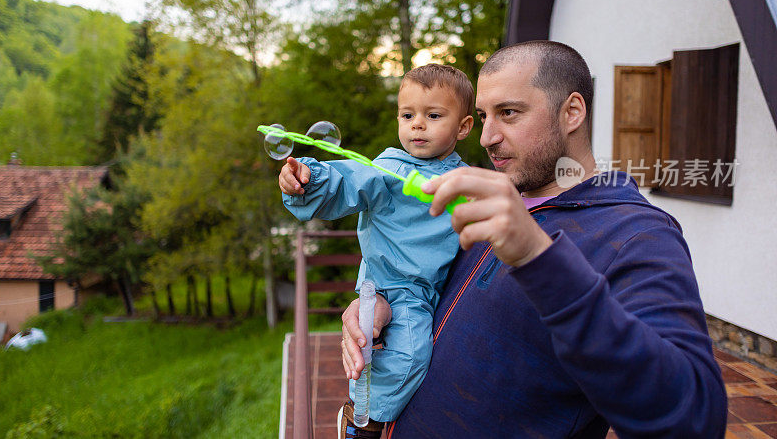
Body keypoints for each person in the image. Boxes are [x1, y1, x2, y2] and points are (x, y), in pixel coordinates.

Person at [341, 41, 727, 438]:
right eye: (483, 116)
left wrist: (538, 257)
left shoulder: (637, 235)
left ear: (572, 112)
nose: (487, 136)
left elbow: (694, 419)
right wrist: (382, 305)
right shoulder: (484, 200)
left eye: (508, 113)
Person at [278, 64, 475, 438]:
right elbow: (347, 180)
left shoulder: (464, 179)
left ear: (463, 127)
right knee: (408, 353)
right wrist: (308, 179)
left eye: (433, 115)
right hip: (393, 287)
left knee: (405, 352)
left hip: (432, 288)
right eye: (407, 115)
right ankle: (362, 421)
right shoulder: (388, 170)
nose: (417, 124)